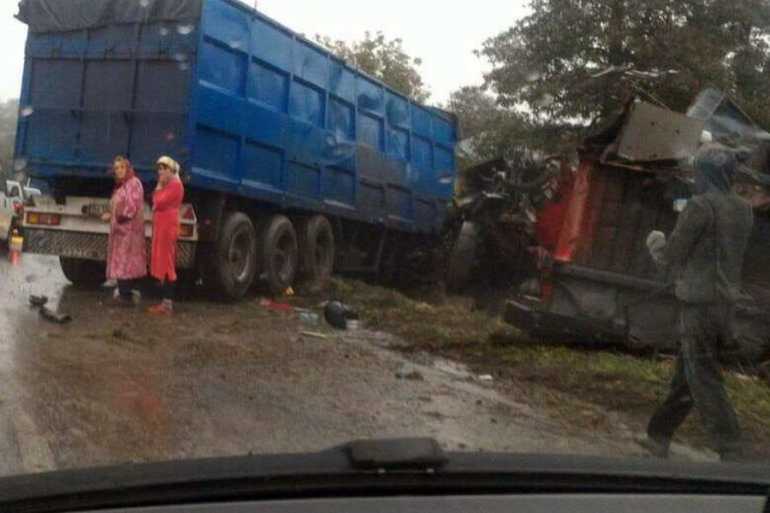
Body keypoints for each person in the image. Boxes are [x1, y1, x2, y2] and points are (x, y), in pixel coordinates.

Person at [640, 145, 754, 461]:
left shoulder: (699, 206)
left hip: (700, 306)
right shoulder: (744, 210)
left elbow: (671, 257)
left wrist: (655, 239)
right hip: (726, 307)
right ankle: (658, 435)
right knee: (688, 373)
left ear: (705, 173)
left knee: (703, 377)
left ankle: (730, 448)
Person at [103, 156, 146, 306]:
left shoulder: (134, 183)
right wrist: (110, 214)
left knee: (126, 263)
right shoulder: (122, 185)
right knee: (123, 262)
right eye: (116, 168)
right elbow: (117, 206)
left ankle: (125, 296)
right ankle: (124, 294)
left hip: (129, 231)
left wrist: (117, 217)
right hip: (121, 232)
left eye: (122, 167)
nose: (119, 171)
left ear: (128, 168)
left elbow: (131, 208)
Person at [148, 156, 184, 316]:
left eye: (163, 169)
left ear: (171, 170)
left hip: (168, 226)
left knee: (167, 262)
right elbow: (155, 201)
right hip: (163, 225)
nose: (160, 172)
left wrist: (158, 188)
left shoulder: (175, 185)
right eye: (159, 169)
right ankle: (165, 301)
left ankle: (167, 303)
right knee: (162, 260)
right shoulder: (169, 185)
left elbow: (158, 202)